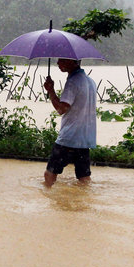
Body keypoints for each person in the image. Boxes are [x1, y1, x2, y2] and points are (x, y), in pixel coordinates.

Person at [43, 58, 97, 187]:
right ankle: (84, 204)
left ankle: (48, 201)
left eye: (62, 60)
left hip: (69, 138)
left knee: (49, 174)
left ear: (73, 62)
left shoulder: (73, 82)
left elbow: (61, 109)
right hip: (84, 139)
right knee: (84, 178)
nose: (58, 63)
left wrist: (50, 90)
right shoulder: (90, 81)